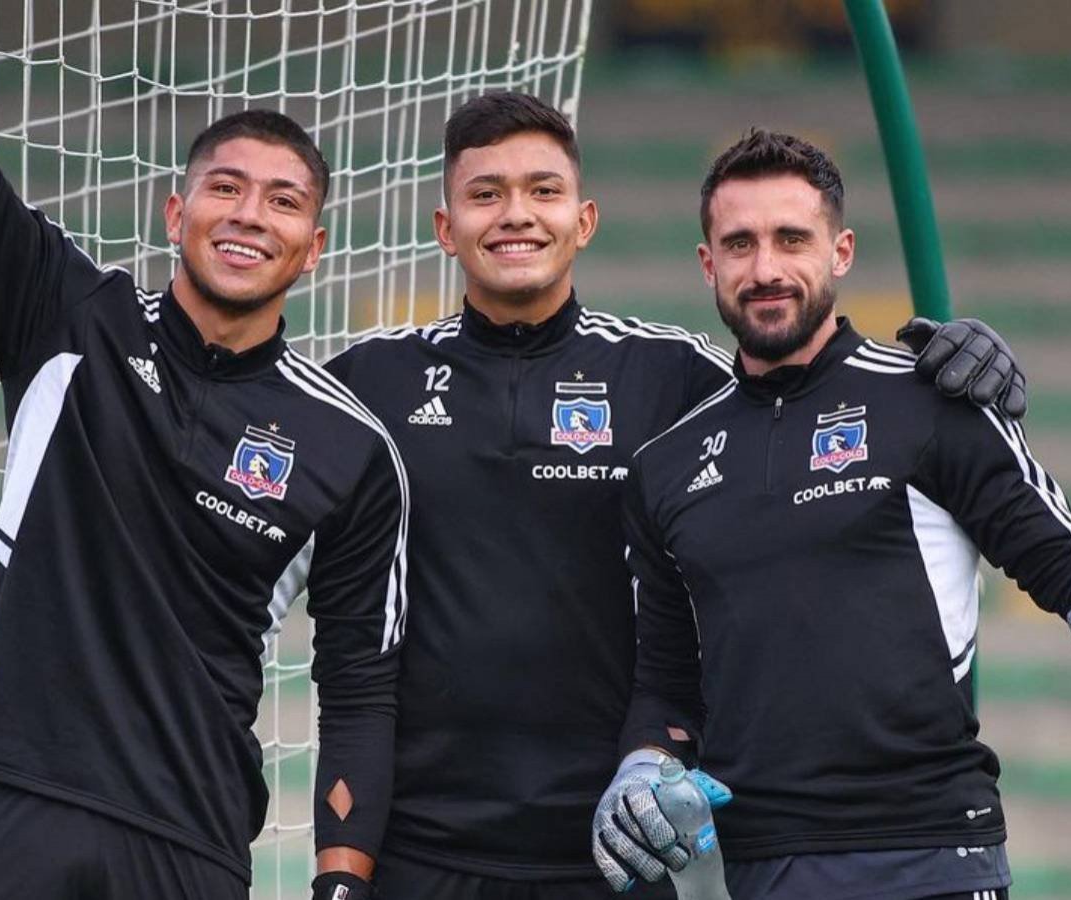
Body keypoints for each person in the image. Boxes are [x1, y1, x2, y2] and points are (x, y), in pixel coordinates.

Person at [325, 94, 1031, 898]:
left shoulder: (676, 379)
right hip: (423, 851)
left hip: (619, 848)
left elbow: (804, 380)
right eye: (486, 193)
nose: (516, 215)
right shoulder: (366, 381)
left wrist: (954, 353)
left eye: (544, 190)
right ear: (445, 226)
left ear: (584, 220)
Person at [0, 3, 407, 898]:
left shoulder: (352, 448)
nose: (250, 215)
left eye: (284, 203)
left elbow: (360, 690)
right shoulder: (65, 313)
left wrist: (342, 882)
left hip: (189, 841)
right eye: (226, 187)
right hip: (16, 804)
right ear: (177, 211)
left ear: (314, 249)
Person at [592, 130, 1071, 900]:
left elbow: (1068, 565)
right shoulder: (666, 465)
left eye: (791, 239)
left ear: (841, 251)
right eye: (740, 244)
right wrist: (644, 766)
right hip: (765, 866)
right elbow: (666, 684)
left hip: (933, 852)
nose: (766, 268)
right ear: (709, 264)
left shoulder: (933, 404)